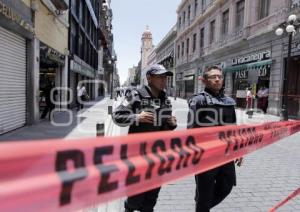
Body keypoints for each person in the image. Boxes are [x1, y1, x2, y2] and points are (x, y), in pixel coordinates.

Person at [112, 64, 177, 212]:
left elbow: (164, 129)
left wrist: (171, 125)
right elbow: (117, 115)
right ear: (149, 78)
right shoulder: (135, 95)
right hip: (137, 156)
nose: (164, 80)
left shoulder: (165, 100)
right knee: (135, 198)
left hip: (157, 156)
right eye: (160, 77)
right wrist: (137, 117)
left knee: (151, 198)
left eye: (165, 77)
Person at [187, 66, 239, 212]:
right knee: (205, 192)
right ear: (205, 80)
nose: (217, 79)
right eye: (213, 77)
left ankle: (201, 206)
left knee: (226, 187)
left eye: (220, 77)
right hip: (206, 156)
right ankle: (202, 206)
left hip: (226, 154)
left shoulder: (229, 101)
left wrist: (238, 149)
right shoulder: (198, 101)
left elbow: (233, 127)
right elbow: (190, 130)